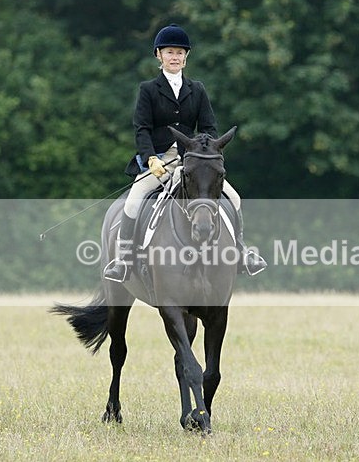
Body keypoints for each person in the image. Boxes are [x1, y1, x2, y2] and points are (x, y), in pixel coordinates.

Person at [104, 24, 267, 282]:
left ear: (186, 57)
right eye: (170, 52)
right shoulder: (148, 89)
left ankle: (241, 251)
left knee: (234, 198)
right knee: (135, 197)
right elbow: (141, 128)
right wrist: (150, 158)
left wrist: (204, 150)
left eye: (180, 53)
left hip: (193, 160)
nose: (175, 57)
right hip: (158, 160)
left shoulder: (197, 89)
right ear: (159, 55)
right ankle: (123, 260)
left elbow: (208, 126)